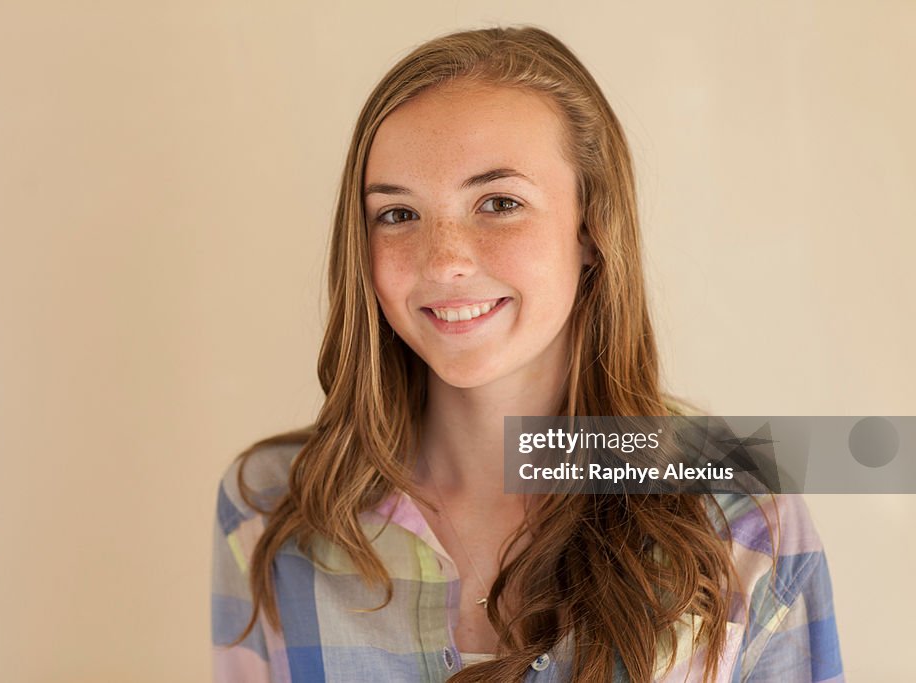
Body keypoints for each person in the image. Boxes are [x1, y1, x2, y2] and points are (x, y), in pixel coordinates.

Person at [211, 26, 843, 682]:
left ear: (592, 230)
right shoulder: (269, 508)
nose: (446, 260)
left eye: (500, 203)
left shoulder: (741, 518)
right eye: (397, 214)